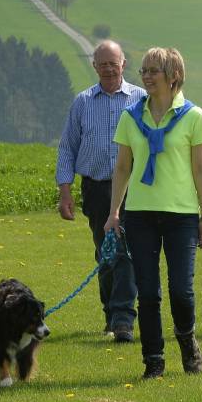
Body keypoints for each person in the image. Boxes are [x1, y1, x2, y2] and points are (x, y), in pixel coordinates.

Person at [104, 47, 202, 379]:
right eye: (145, 71)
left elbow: (201, 169)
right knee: (148, 293)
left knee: (182, 290)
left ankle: (187, 340)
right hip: (140, 215)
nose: (147, 77)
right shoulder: (130, 116)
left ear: (173, 75)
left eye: (154, 71)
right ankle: (153, 360)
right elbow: (122, 168)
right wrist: (114, 213)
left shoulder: (193, 116)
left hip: (182, 217)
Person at [55, 40, 144, 343]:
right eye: (102, 63)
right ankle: (111, 312)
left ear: (124, 64)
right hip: (95, 190)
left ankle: (123, 319)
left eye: (113, 62)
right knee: (106, 254)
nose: (108, 68)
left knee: (127, 253)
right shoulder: (82, 102)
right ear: (94, 66)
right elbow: (67, 148)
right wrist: (65, 192)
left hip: (134, 189)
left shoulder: (140, 99)